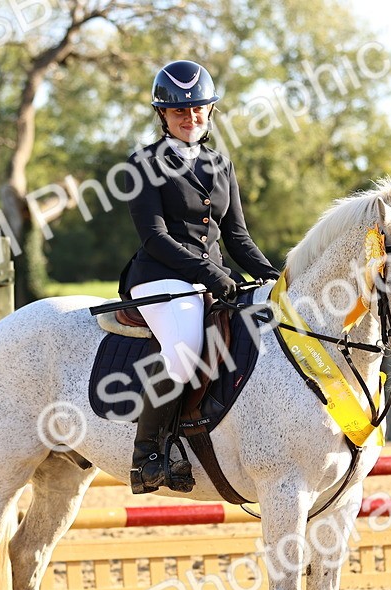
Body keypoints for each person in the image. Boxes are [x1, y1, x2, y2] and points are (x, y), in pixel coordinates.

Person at [120, 59, 280, 495]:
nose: (189, 118)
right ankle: (148, 453)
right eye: (178, 112)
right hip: (160, 276)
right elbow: (154, 238)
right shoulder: (142, 164)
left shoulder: (221, 164)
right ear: (162, 116)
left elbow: (238, 237)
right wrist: (211, 273)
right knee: (185, 350)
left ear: (210, 112)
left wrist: (277, 279)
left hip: (209, 278)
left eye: (197, 110)